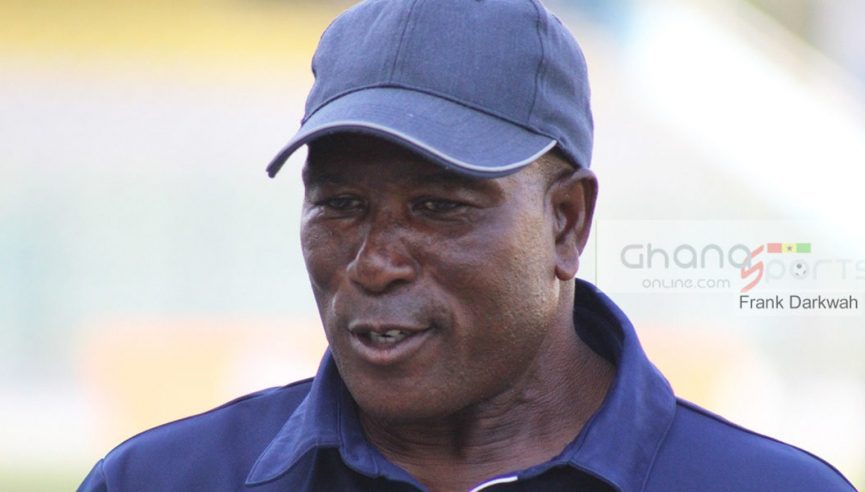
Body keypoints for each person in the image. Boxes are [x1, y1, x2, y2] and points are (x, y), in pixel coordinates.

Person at [79, 0, 855, 490]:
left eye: (437, 207)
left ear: (566, 222)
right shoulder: (158, 481)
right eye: (340, 205)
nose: (374, 263)